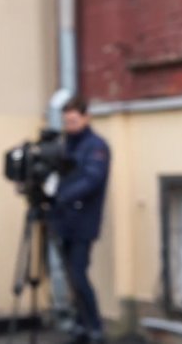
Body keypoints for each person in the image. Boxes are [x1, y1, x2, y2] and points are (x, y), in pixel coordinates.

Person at [51, 96, 111, 344]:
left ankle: (94, 326)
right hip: (63, 219)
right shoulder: (65, 144)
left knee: (78, 274)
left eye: (74, 121)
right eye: (66, 121)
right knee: (71, 275)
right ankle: (81, 324)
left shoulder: (95, 146)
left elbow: (92, 179)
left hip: (83, 221)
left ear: (86, 118)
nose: (70, 126)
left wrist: (62, 195)